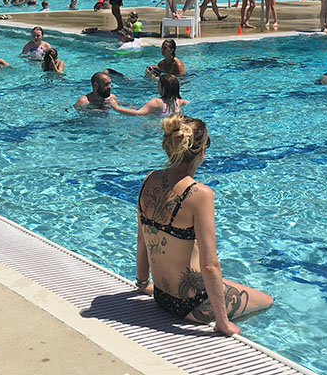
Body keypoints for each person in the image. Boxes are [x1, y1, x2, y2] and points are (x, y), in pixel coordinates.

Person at [135, 115, 272, 332]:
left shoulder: (149, 179)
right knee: (266, 301)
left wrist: (143, 284)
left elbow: (143, 237)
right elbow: (210, 264)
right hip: (193, 305)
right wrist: (223, 323)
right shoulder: (199, 194)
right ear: (201, 151)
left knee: (232, 285)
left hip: (162, 297)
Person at [107, 74, 188, 117]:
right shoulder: (178, 101)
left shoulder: (156, 102)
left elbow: (138, 113)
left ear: (163, 88)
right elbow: (186, 102)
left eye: (158, 85)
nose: (157, 87)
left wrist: (116, 108)